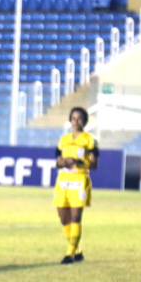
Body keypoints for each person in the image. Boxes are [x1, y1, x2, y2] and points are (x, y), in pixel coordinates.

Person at [54, 106, 98, 264]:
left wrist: (78, 161)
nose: (76, 121)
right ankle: (78, 251)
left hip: (79, 180)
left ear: (85, 121)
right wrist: (63, 162)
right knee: (63, 217)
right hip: (63, 181)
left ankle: (70, 253)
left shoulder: (90, 140)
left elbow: (94, 164)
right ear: (70, 120)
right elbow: (57, 163)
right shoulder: (63, 140)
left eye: (79, 118)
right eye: (73, 118)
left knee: (75, 217)